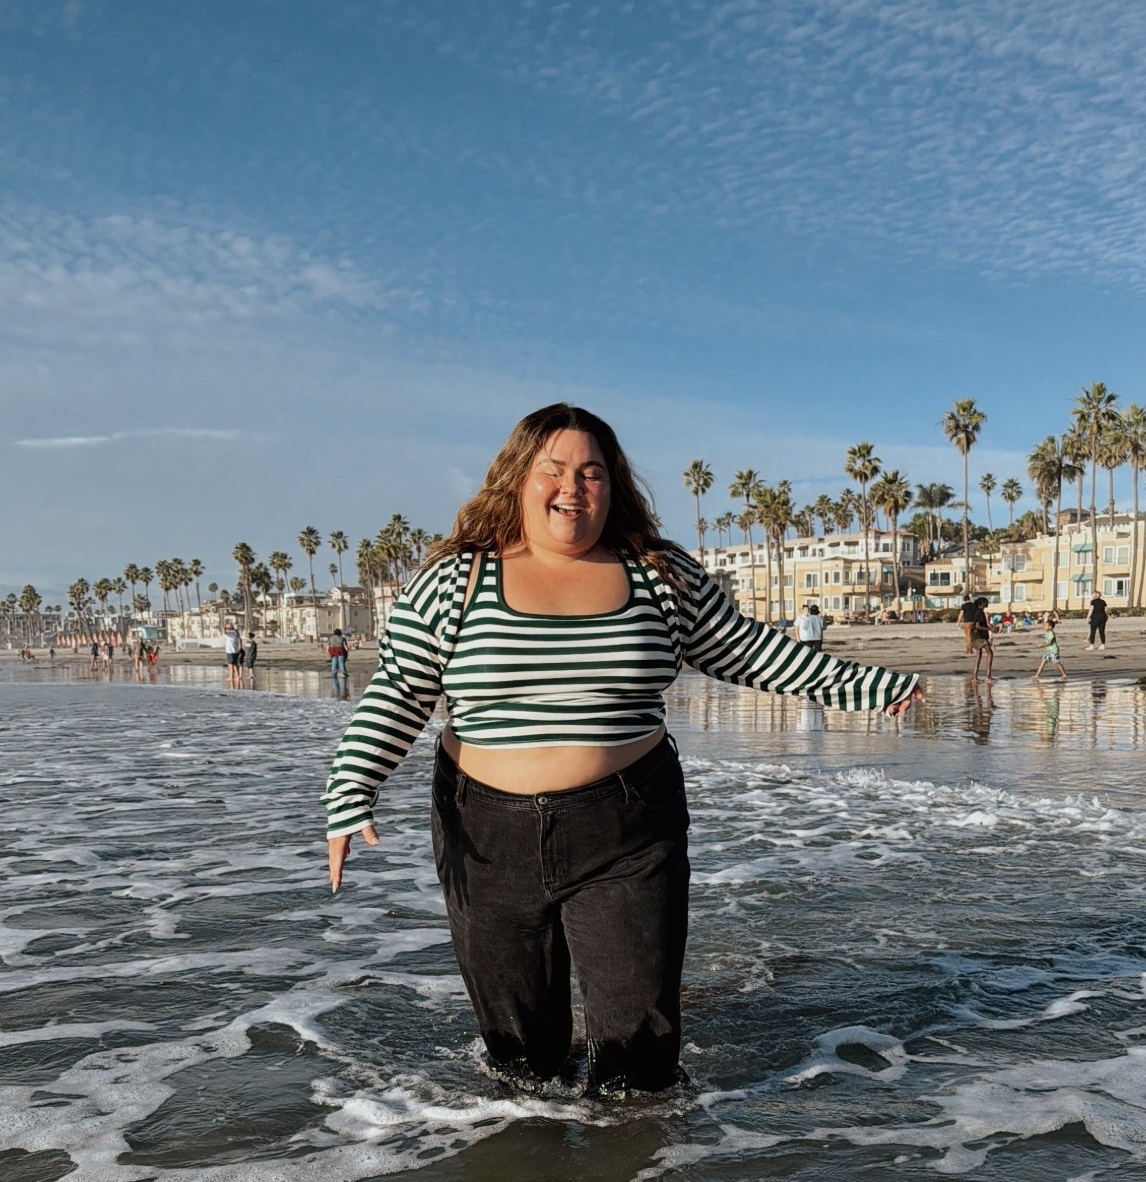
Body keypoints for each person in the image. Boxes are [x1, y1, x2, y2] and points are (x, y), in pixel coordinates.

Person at [322, 404, 922, 1095]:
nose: (572, 488)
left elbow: (748, 651)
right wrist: (351, 788)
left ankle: (638, 1161)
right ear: (517, 479)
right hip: (485, 835)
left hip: (628, 826)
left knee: (639, 1068)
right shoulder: (456, 580)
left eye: (592, 472)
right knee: (522, 1065)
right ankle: (532, 1165)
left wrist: (866, 685)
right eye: (552, 470)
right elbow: (400, 689)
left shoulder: (658, 575)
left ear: (613, 486)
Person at [1035, 614, 1067, 682]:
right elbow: (1043, 625)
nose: (1044, 627)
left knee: (1057, 663)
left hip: (1054, 651)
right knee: (1042, 662)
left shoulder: (1051, 633)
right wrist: (1043, 619)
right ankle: (1037, 675)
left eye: (1046, 626)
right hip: (1048, 650)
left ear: (1050, 627)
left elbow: (1049, 642)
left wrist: (1042, 645)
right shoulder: (1047, 632)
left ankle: (1064, 674)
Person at [969, 596, 994, 679]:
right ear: (983, 604)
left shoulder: (976, 612)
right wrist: (989, 629)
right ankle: (988, 676)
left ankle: (974, 676)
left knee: (978, 654)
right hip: (980, 636)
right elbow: (978, 626)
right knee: (990, 653)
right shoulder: (980, 612)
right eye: (986, 602)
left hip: (974, 635)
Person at [326, 628, 350, 699]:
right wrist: (347, 650)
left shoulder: (331, 638)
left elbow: (328, 646)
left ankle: (334, 675)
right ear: (340, 633)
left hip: (333, 651)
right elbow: (345, 646)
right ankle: (344, 673)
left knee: (334, 664)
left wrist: (327, 651)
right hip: (340, 651)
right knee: (341, 663)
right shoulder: (342, 638)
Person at [223, 622, 242, 689]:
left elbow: (224, 631)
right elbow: (239, 639)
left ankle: (231, 677)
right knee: (235, 664)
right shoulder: (236, 631)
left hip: (230, 651)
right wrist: (240, 646)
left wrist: (225, 626)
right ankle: (237, 677)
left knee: (230, 665)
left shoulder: (230, 632)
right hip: (235, 650)